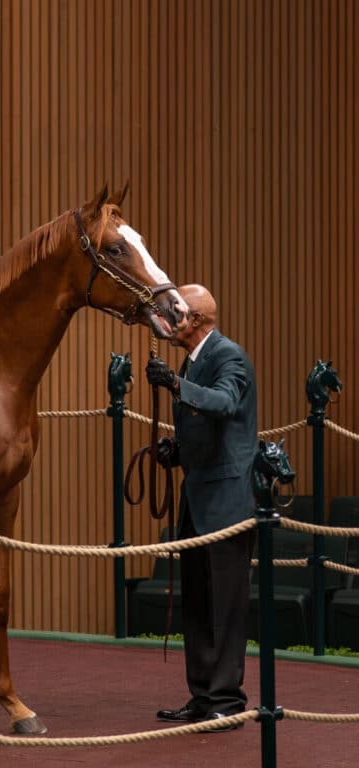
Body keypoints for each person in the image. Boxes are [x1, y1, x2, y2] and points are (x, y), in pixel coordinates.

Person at [145, 283, 258, 729]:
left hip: (227, 503)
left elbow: (225, 403)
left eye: (177, 312)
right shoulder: (194, 359)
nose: (169, 318)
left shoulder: (228, 356)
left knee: (224, 605)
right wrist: (177, 450)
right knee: (196, 599)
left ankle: (227, 701)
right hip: (199, 497)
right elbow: (205, 425)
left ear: (198, 321)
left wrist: (175, 383)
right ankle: (203, 695)